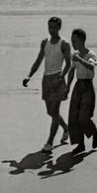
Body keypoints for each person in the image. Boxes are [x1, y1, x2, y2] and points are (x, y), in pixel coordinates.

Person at [23, 17, 72, 154]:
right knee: (50, 112)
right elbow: (38, 60)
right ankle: (66, 128)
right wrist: (29, 75)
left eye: (55, 27)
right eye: (50, 27)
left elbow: (68, 64)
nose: (52, 30)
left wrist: (61, 78)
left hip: (57, 79)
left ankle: (49, 142)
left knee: (55, 112)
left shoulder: (64, 44)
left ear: (59, 28)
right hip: (46, 80)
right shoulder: (45, 42)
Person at [66, 27, 97, 155]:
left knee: (83, 117)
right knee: (74, 116)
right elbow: (72, 71)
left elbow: (92, 66)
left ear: (81, 40)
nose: (73, 43)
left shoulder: (90, 54)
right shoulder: (75, 54)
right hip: (78, 86)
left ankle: (95, 132)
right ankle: (80, 145)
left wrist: (80, 60)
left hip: (87, 87)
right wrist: (67, 87)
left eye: (74, 41)